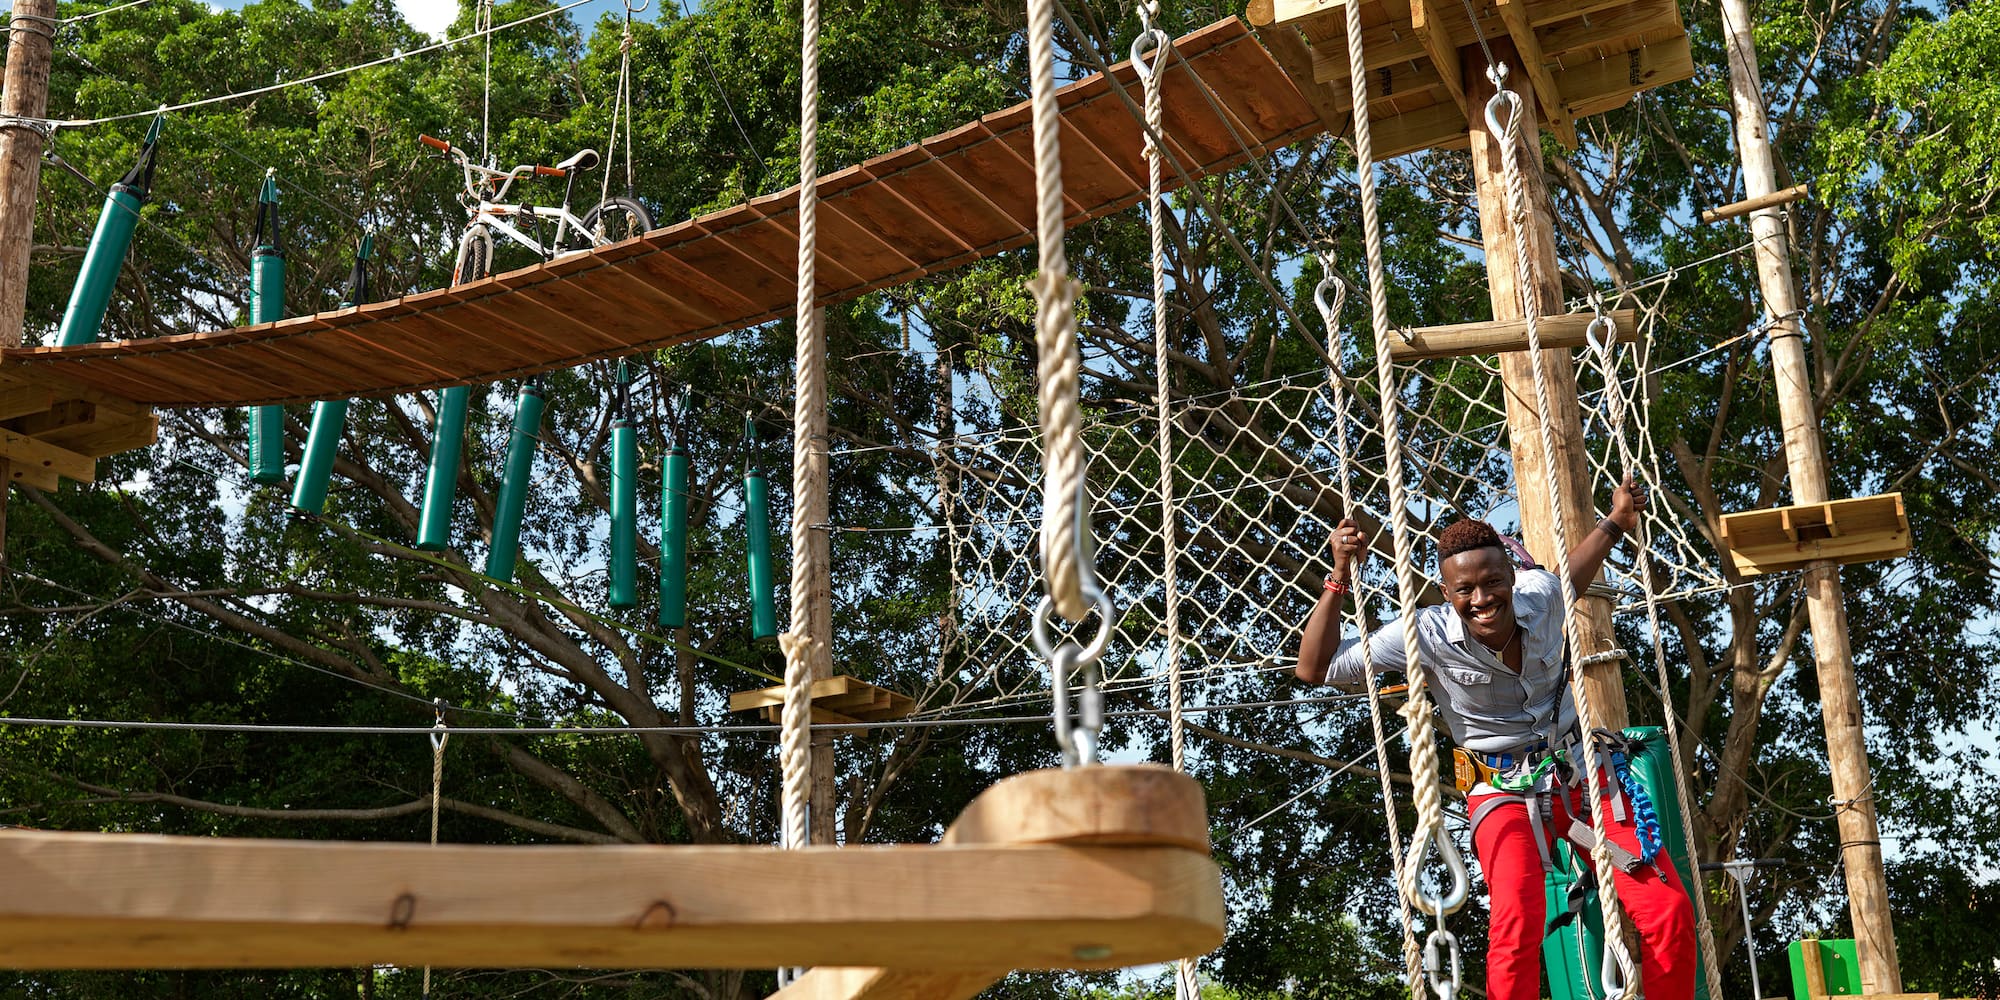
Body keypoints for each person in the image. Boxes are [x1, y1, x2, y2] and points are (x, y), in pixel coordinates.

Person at [1295, 474, 1694, 1000]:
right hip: (1500, 791)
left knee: (1668, 910)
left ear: (1511, 575)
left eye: (1492, 582)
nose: (1482, 598)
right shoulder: (1426, 634)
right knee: (1516, 927)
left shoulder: (1542, 595)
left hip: (1580, 776)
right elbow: (1315, 668)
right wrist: (1338, 577)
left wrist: (1618, 520)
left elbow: (1573, 571)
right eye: (1465, 589)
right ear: (1446, 592)